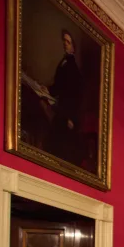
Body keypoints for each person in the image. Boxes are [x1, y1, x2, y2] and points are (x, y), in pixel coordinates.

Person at [45, 29, 84, 164]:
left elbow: (74, 95)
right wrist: (48, 89)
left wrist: (70, 117)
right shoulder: (64, 62)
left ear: (73, 46)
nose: (65, 44)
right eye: (64, 41)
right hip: (62, 109)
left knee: (61, 144)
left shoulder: (72, 67)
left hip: (67, 112)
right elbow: (59, 85)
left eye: (68, 42)